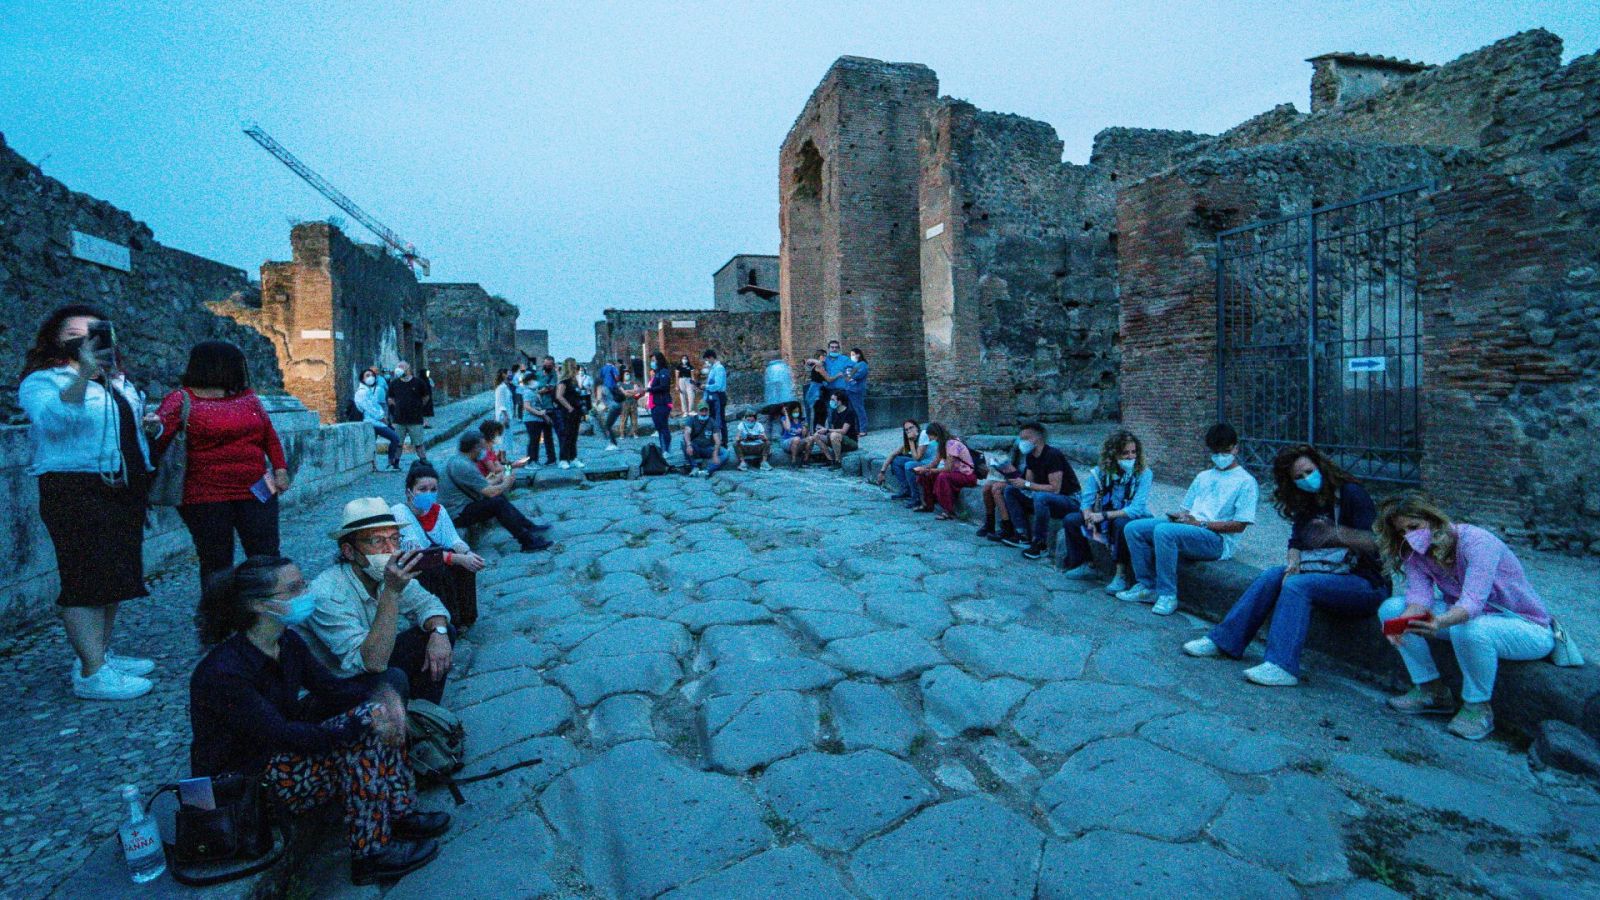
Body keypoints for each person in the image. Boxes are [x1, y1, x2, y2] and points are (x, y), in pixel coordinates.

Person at [189, 556, 445, 885]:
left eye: (303, 583)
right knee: (361, 733)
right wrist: (363, 723)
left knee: (374, 708)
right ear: (259, 605)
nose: (306, 592)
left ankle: (399, 812)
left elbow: (332, 690)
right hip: (246, 784)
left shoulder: (286, 642)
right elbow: (281, 735)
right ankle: (370, 854)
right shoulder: (224, 672)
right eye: (294, 588)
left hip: (277, 756)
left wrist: (385, 698)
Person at [18, 305, 158, 700]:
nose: (85, 338)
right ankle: (93, 672)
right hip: (75, 490)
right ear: (56, 340)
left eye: (93, 331)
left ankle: (97, 655)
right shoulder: (42, 381)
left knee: (115, 576)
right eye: (74, 333)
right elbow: (55, 422)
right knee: (84, 579)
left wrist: (150, 425)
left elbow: (126, 434)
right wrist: (82, 373)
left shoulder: (117, 382)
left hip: (123, 487)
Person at [1182, 445, 1389, 687]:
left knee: (1298, 585)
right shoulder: (1307, 500)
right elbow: (1296, 541)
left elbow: (1377, 543)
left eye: (1309, 472)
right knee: (1273, 575)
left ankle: (1282, 665)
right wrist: (1293, 561)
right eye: (1298, 478)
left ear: (1320, 466)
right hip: (1327, 572)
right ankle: (1224, 641)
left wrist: (1337, 534)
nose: (1306, 480)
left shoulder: (1352, 493)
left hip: (1365, 583)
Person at [1371, 492, 1556, 741]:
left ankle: (1478, 708)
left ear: (1432, 519)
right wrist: (1402, 623)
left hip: (1525, 626)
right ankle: (1431, 690)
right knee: (1391, 611)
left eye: (1413, 526)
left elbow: (1472, 603)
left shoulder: (1477, 542)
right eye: (1401, 532)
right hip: (1472, 620)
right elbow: (1419, 598)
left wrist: (1439, 621)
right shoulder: (1414, 552)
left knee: (1467, 628)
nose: (1408, 535)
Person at [155, 340, 291, 604]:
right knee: (217, 560)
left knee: (266, 554)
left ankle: (268, 609)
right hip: (205, 494)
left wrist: (280, 469)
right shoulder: (181, 400)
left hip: (257, 488)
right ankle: (219, 620)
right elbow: (160, 436)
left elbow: (269, 437)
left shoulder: (248, 398)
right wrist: (154, 427)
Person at [301, 498, 456, 704]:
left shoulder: (384, 574)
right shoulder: (327, 593)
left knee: (441, 632)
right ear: (349, 551)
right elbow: (371, 663)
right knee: (392, 678)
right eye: (377, 541)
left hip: (373, 656)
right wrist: (391, 592)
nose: (390, 549)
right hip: (337, 680)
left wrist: (439, 632)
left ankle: (424, 714)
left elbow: (427, 604)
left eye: (394, 539)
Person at [1119, 423, 1259, 616]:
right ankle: (1147, 585)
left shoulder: (1246, 482)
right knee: (1134, 528)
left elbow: (1239, 525)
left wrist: (1200, 523)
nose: (1220, 456)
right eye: (1216, 452)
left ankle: (1167, 594)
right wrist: (1182, 517)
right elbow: (1185, 509)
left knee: (1164, 532)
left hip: (1217, 539)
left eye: (1225, 451)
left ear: (1236, 448)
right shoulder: (1204, 476)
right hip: (1191, 528)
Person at [393, 464, 487, 629]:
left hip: (436, 557)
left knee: (465, 566)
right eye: (422, 489)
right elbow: (417, 553)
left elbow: (453, 539)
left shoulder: (438, 510)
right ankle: (449, 622)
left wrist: (468, 553)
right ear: (409, 492)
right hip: (415, 565)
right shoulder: (400, 512)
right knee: (439, 570)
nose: (428, 494)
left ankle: (467, 617)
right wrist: (457, 558)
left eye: (433, 489)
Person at [1055, 430, 1154, 587]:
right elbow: (1086, 501)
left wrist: (1104, 515)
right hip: (1104, 514)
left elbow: (1137, 509)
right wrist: (1088, 516)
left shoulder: (1144, 473)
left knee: (1120, 523)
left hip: (1129, 516)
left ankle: (1121, 574)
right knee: (1071, 520)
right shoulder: (1099, 473)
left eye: (1133, 452)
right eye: (1125, 453)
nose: (1130, 457)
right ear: (1113, 454)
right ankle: (1085, 564)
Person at [438, 432, 552, 551]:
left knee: (499, 499)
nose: (485, 451)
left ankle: (529, 527)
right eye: (482, 447)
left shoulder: (461, 459)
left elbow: (484, 482)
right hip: (456, 513)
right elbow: (492, 483)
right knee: (498, 503)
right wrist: (507, 479)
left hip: (464, 504)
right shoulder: (464, 465)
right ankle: (527, 541)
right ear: (475, 448)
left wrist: (508, 470)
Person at [1000, 422, 1077, 553]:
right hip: (1045, 498)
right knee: (1010, 491)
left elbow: (1055, 489)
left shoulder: (1053, 455)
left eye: (1025, 438)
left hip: (1068, 499)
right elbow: (1029, 484)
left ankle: (1040, 543)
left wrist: (1026, 484)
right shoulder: (1030, 456)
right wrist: (1011, 475)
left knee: (1040, 497)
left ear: (1037, 438)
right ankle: (1022, 534)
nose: (1022, 442)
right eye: (1021, 439)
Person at [914, 423, 977, 520]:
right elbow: (935, 463)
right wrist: (924, 469)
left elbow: (948, 468)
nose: (930, 439)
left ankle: (948, 511)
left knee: (942, 477)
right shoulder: (942, 445)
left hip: (966, 475)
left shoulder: (952, 443)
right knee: (925, 474)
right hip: (955, 473)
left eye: (930, 436)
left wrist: (930, 470)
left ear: (936, 434)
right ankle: (928, 504)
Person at [876, 419, 935, 508]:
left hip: (930, 463)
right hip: (921, 462)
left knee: (909, 465)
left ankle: (916, 497)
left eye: (911, 428)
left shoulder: (923, 435)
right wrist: (882, 472)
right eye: (906, 430)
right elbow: (892, 454)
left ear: (917, 428)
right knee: (896, 460)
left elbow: (917, 458)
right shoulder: (910, 441)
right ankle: (906, 489)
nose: (909, 431)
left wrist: (911, 441)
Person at [975, 442, 1024, 543]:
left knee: (996, 489)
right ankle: (990, 523)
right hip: (1006, 476)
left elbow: (1020, 477)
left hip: (1017, 479)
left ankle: (1007, 526)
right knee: (986, 488)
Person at [385, 362, 431, 466]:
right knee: (398, 443)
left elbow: (426, 397)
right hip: (399, 419)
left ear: (408, 368)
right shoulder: (394, 383)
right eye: (398, 367)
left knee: (418, 442)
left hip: (415, 418)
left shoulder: (418, 382)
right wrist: (396, 406)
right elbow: (390, 398)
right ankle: (395, 462)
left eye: (401, 367)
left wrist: (417, 406)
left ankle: (423, 459)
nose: (399, 369)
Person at [356, 368, 402, 471]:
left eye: (372, 375)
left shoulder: (369, 390)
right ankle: (390, 463)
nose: (370, 377)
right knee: (395, 438)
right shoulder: (362, 392)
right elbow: (369, 408)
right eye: (367, 375)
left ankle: (374, 466)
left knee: (372, 444)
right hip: (372, 422)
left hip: (376, 421)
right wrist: (381, 418)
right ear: (362, 379)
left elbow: (375, 405)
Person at [634, 351, 674, 455]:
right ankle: (663, 448)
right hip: (656, 403)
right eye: (651, 361)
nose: (652, 363)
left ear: (659, 360)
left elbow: (664, 387)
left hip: (662, 403)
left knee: (663, 426)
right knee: (659, 428)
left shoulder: (664, 372)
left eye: (653, 360)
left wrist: (649, 389)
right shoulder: (657, 373)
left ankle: (667, 449)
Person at [803, 393, 859, 465]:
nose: (830, 401)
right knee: (816, 435)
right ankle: (830, 459)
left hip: (850, 441)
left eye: (833, 399)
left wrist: (827, 430)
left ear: (839, 401)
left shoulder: (849, 412)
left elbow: (844, 431)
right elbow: (833, 430)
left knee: (834, 435)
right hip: (836, 438)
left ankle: (837, 460)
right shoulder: (834, 413)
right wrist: (823, 430)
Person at [519, 371, 555, 466]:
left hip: (537, 419)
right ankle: (531, 461)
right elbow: (527, 406)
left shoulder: (534, 391)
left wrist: (544, 416)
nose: (536, 382)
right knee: (533, 441)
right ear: (529, 381)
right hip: (531, 419)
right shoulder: (527, 391)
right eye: (534, 380)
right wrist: (539, 413)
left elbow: (538, 406)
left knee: (536, 441)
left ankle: (535, 459)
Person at [682, 402, 728, 476]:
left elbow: (717, 440)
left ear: (708, 411)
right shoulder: (692, 420)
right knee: (683, 442)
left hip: (708, 448)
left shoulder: (712, 422)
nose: (704, 413)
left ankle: (708, 470)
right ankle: (694, 467)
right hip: (695, 448)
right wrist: (689, 445)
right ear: (697, 411)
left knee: (725, 453)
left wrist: (715, 454)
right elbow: (687, 432)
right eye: (702, 411)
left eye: (706, 411)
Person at [596, 357, 625, 451]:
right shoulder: (613, 369)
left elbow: (599, 400)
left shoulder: (601, 386)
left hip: (613, 407)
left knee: (607, 425)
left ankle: (613, 443)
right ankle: (613, 443)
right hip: (618, 405)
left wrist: (599, 408)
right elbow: (617, 378)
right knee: (609, 424)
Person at [702, 348, 729, 446]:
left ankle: (724, 441)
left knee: (720, 419)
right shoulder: (713, 368)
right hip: (712, 397)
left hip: (719, 396)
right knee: (713, 419)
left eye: (707, 359)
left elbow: (718, 385)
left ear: (711, 357)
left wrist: (706, 386)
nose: (707, 362)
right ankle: (716, 440)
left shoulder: (719, 368)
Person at [844, 347, 870, 435]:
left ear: (858, 354)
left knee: (859, 410)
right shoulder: (854, 365)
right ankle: (856, 429)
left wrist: (849, 375)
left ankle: (863, 430)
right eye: (851, 355)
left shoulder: (862, 364)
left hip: (856, 390)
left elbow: (857, 375)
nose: (851, 357)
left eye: (853, 355)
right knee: (852, 411)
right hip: (849, 390)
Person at [803, 349, 827, 428]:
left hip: (819, 390)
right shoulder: (818, 365)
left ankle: (817, 429)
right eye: (823, 356)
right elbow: (809, 361)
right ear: (819, 356)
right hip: (816, 391)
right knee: (816, 412)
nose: (825, 357)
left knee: (821, 412)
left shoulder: (820, 364)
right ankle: (813, 430)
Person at [619, 367, 641, 438]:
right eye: (626, 374)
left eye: (628, 374)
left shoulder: (634, 383)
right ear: (623, 376)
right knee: (623, 419)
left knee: (634, 419)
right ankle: (622, 434)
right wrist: (632, 391)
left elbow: (637, 391)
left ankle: (635, 433)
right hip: (624, 403)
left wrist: (628, 391)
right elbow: (624, 393)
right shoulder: (620, 384)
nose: (627, 375)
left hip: (633, 403)